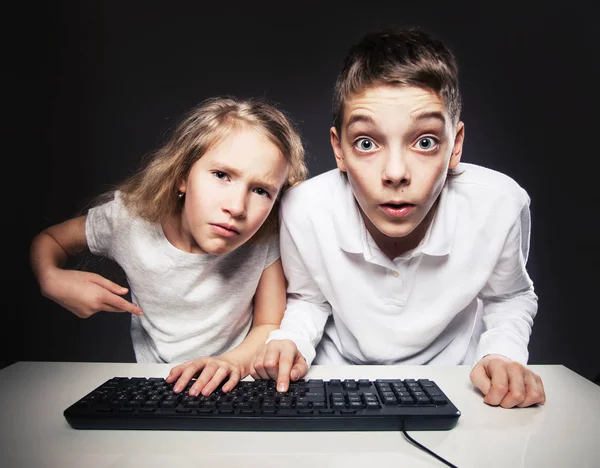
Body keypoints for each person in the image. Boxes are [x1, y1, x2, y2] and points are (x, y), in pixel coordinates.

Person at [251, 27, 546, 409]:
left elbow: (509, 296)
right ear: (339, 150)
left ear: (455, 146)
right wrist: (290, 341)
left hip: (456, 386)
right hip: (335, 384)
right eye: (366, 143)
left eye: (425, 142)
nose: (395, 173)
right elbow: (309, 298)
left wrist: (503, 356)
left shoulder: (501, 204)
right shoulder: (303, 207)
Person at [30, 96, 307, 397]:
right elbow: (50, 240)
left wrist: (231, 364)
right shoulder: (129, 219)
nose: (237, 207)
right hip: (157, 387)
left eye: (261, 190)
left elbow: (268, 322)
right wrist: (50, 278)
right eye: (221, 175)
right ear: (182, 176)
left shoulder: (264, 234)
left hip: (240, 385)